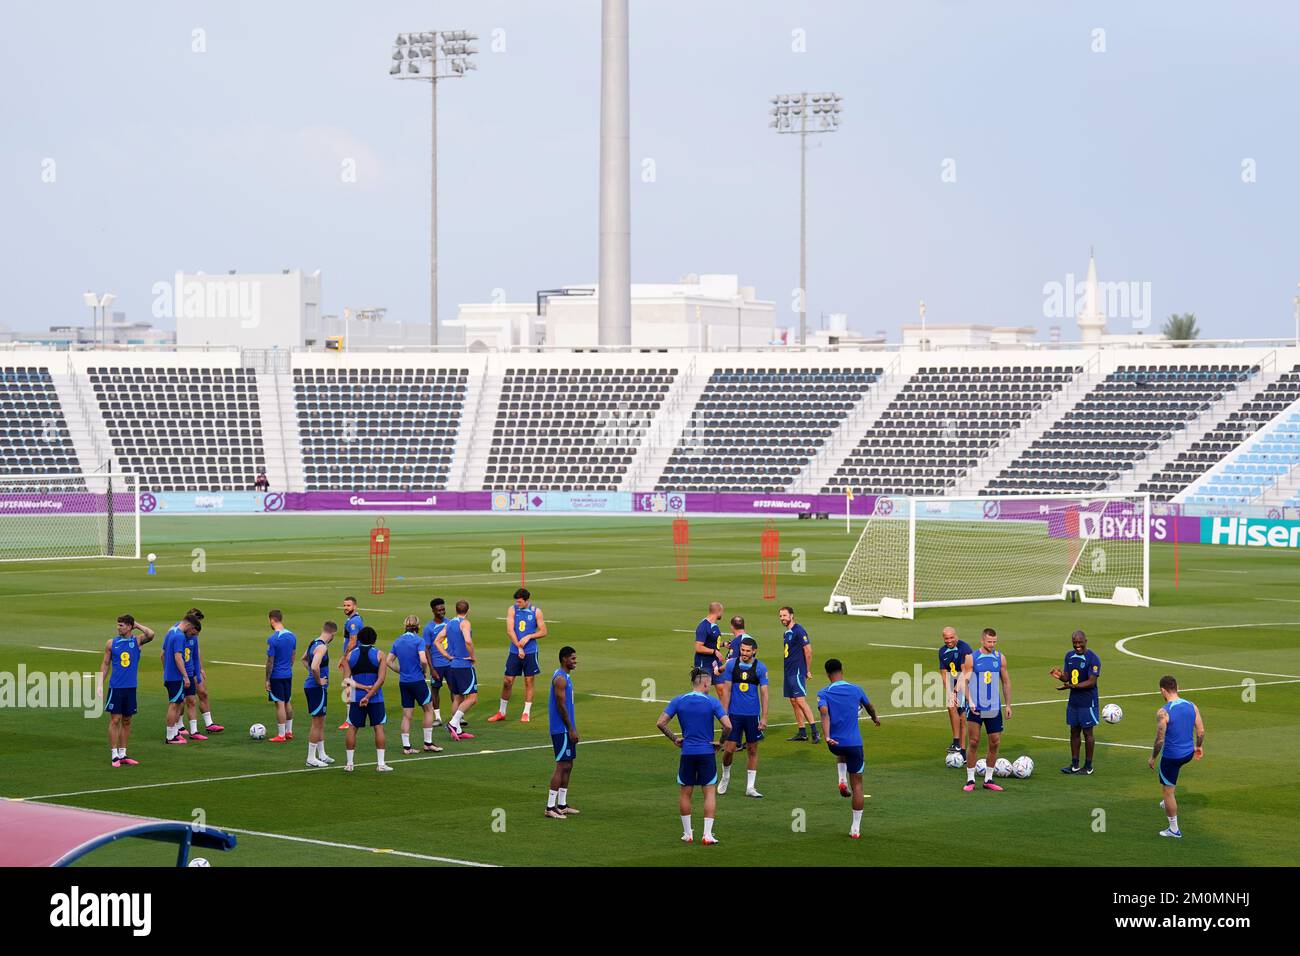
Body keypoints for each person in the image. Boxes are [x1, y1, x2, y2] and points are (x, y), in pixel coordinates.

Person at [656, 667, 732, 845]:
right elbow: (728, 726)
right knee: (709, 792)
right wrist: (720, 742)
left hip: (687, 752)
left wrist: (675, 739)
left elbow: (660, 722)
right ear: (705, 683)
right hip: (706, 753)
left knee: (685, 792)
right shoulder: (712, 702)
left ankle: (687, 833)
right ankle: (707, 835)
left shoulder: (678, 700)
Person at [817, 658, 880, 839]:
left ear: (828, 674)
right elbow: (869, 706)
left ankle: (841, 778)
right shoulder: (856, 689)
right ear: (842, 670)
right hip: (855, 744)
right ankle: (855, 829)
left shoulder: (824, 692)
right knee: (858, 786)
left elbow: (824, 713)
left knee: (841, 751)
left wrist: (827, 736)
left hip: (835, 745)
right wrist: (875, 718)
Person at [954, 627, 1012, 793]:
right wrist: (970, 701)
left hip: (994, 708)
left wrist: (1008, 705)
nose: (992, 645)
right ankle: (970, 779)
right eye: (989, 642)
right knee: (973, 742)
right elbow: (963, 681)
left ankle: (988, 779)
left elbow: (1006, 682)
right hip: (976, 707)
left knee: (995, 742)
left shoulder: (1000, 658)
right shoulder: (972, 658)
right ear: (982, 640)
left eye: (994, 642)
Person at [1148, 675, 1204, 839]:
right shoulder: (1192, 706)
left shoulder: (1163, 712)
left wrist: (1152, 757)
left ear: (1162, 690)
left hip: (1172, 757)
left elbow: (1160, 739)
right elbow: (1200, 731)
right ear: (1177, 687)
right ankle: (1166, 803)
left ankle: (1173, 829)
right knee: (1173, 777)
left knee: (1168, 791)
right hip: (1188, 753)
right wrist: (1198, 746)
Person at [717, 631, 768, 798]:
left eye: (748, 651)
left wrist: (764, 717)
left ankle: (750, 787)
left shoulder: (760, 668)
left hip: (752, 715)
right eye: (742, 650)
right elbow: (727, 689)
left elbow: (764, 694)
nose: (744, 653)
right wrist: (724, 714)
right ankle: (725, 777)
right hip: (734, 715)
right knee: (730, 749)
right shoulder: (732, 665)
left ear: (754, 651)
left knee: (752, 750)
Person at [99, 614, 154, 767]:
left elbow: (151, 634)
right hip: (116, 687)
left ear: (129, 626)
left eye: (122, 625)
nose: (118, 627)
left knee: (127, 721)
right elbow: (105, 664)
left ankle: (123, 754)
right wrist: (99, 684)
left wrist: (137, 624)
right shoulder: (111, 643)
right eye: (118, 625)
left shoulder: (136, 641)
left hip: (131, 687)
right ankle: (114, 755)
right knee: (115, 720)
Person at [490, 587, 548, 723]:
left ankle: (526, 712)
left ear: (527, 600)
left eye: (520, 602)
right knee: (507, 681)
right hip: (515, 651)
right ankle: (501, 712)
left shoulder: (536, 612)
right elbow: (510, 631)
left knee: (529, 681)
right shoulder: (512, 610)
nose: (518, 604)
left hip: (531, 652)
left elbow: (544, 631)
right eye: (517, 602)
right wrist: (519, 647)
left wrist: (529, 636)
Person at [388, 614, 441, 755]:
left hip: (404, 682)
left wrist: (400, 671)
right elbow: (423, 660)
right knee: (428, 709)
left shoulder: (398, 641)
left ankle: (406, 747)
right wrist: (424, 671)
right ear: (418, 626)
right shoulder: (419, 640)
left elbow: (389, 661)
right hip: (417, 680)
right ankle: (428, 743)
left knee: (407, 715)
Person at [1052, 630, 1101, 774]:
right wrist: (1060, 675)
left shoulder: (1093, 658)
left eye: (1080, 642)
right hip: (1074, 701)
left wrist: (1071, 686)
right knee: (1074, 731)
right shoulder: (1069, 656)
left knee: (1088, 733)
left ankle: (1088, 766)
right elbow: (1067, 677)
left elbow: (1091, 682)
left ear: (1086, 641)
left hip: (1088, 701)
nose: (1077, 645)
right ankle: (1074, 765)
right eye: (1075, 642)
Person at [345, 626, 391, 772]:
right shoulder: (379, 654)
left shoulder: (350, 655)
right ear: (374, 639)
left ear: (359, 638)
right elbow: (381, 679)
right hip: (376, 697)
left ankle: (350, 764)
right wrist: (369, 694)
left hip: (355, 698)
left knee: (352, 728)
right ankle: (381, 764)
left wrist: (362, 687)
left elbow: (347, 680)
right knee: (378, 728)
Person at [545, 646, 580, 819]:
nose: (575, 661)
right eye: (572, 658)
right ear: (564, 659)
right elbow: (561, 706)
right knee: (561, 765)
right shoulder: (560, 679)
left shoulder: (564, 676)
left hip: (565, 728)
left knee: (568, 764)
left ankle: (562, 804)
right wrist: (571, 729)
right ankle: (550, 807)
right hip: (561, 729)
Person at [779, 606, 818, 743]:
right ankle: (802, 732)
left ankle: (815, 731)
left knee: (800, 700)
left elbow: (808, 650)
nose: (782, 618)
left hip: (797, 671)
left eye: (784, 615)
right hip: (788, 671)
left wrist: (807, 670)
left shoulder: (799, 630)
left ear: (792, 616)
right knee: (794, 701)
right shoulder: (787, 633)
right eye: (781, 616)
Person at [302, 621, 337, 767]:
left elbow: (304, 659)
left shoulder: (313, 643)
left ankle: (321, 754)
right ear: (333, 633)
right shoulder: (322, 647)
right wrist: (319, 680)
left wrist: (311, 674)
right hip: (317, 688)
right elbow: (315, 666)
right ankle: (311, 758)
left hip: (312, 686)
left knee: (321, 721)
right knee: (317, 723)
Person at [442, 600, 478, 740]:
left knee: (457, 697)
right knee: (472, 698)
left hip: (453, 665)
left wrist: (446, 655)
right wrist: (472, 656)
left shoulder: (449, 623)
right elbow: (468, 640)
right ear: (468, 611)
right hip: (464, 665)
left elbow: (437, 641)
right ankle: (453, 723)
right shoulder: (465, 623)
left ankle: (457, 730)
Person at [161, 613, 201, 744]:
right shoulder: (179, 636)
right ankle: (170, 737)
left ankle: (174, 733)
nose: (191, 635)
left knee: (178, 703)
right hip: (176, 676)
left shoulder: (170, 631)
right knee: (175, 705)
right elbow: (178, 657)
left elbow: (163, 653)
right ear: (190, 625)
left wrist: (165, 670)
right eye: (193, 631)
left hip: (169, 674)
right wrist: (185, 676)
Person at [938, 626, 973, 754]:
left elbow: (966, 671)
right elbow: (943, 673)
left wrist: (956, 691)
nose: (949, 641)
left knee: (960, 714)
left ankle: (959, 745)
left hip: (967, 682)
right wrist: (949, 692)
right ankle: (959, 747)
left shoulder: (964, 648)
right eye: (946, 638)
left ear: (956, 636)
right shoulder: (942, 651)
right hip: (954, 683)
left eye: (951, 637)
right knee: (954, 708)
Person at [264, 609, 297, 743]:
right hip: (288, 674)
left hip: (276, 675)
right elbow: (293, 656)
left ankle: (281, 734)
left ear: (272, 620)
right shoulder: (292, 636)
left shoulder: (273, 639)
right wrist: (288, 668)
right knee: (287, 701)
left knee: (280, 704)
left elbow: (270, 661)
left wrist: (267, 679)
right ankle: (289, 732)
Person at [337, 596, 364, 731]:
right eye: (344, 605)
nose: (346, 608)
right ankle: (353, 717)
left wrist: (344, 657)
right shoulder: (354, 620)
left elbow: (353, 641)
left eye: (348, 605)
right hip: (355, 657)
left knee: (348, 686)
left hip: (352, 658)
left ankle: (349, 720)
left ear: (355, 606)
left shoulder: (354, 622)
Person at [422, 598, 450, 726]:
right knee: (435, 690)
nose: (442, 612)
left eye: (443, 609)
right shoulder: (429, 628)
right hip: (437, 664)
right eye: (439, 610)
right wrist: (431, 668)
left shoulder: (449, 623)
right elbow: (426, 649)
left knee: (455, 690)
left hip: (450, 663)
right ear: (433, 610)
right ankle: (437, 717)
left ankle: (457, 717)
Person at [692, 601, 727, 700]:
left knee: (722, 690)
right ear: (718, 612)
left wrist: (724, 644)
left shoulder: (714, 625)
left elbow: (711, 643)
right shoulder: (703, 626)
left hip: (715, 663)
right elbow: (698, 647)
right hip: (704, 665)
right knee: (702, 692)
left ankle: (724, 714)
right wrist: (714, 651)